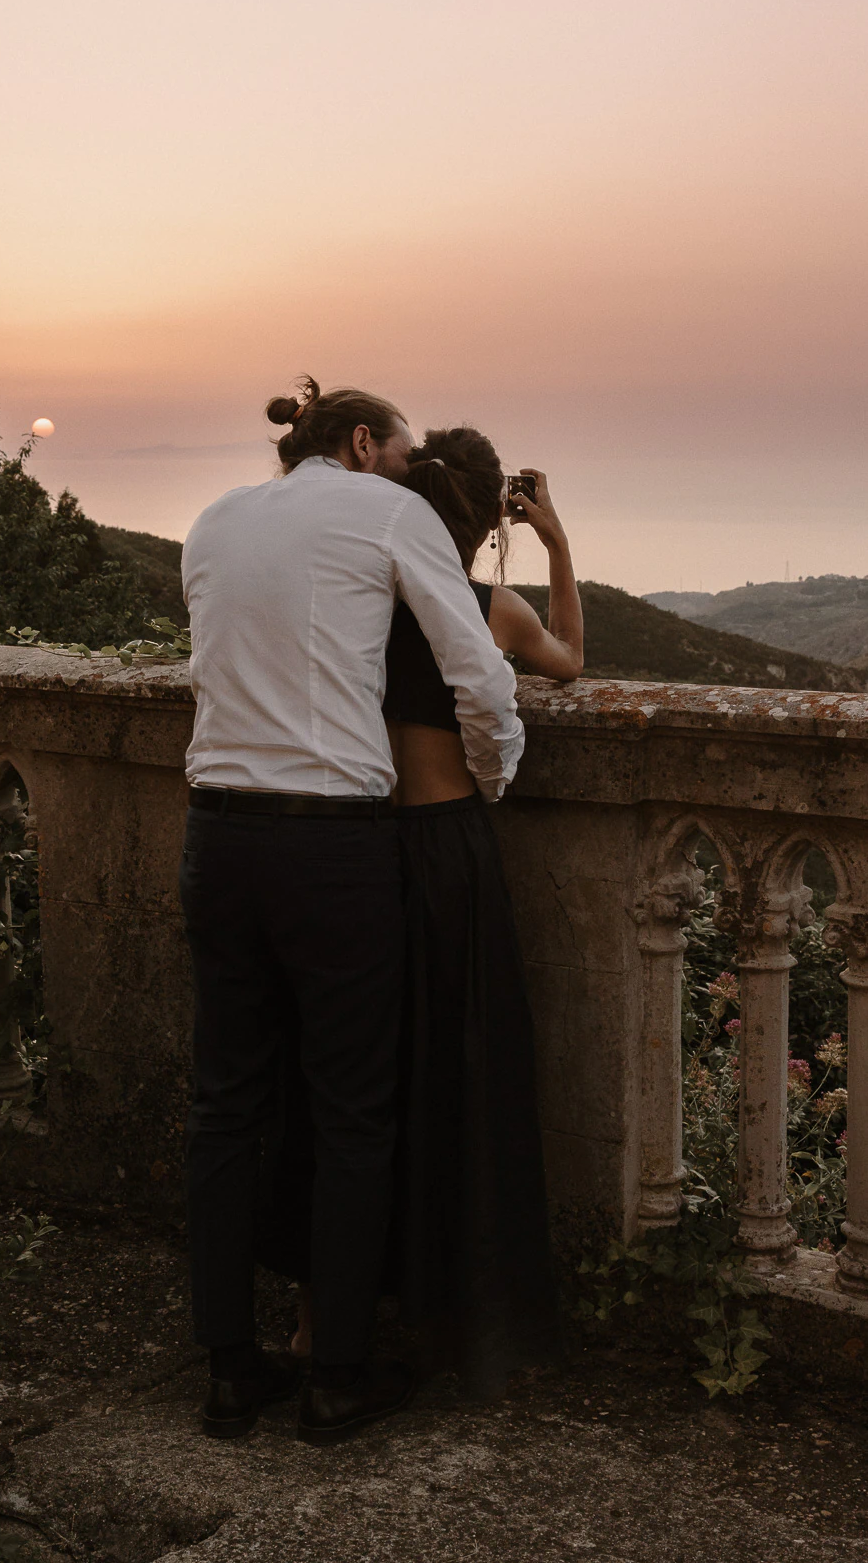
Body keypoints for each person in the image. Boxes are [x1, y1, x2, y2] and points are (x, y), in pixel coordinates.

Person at [179, 379, 525, 1445]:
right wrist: (496, 774)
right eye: (405, 453)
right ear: (364, 441)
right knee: (350, 1110)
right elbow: (475, 669)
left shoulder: (214, 518)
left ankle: (230, 1368)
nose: (418, 471)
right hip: (330, 844)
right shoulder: (389, 509)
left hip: (216, 834)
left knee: (228, 1106)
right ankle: (334, 1374)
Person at [275, 426, 583, 1399]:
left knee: (350, 1083)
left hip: (361, 843)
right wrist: (558, 542)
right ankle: (457, 1319)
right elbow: (569, 660)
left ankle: (318, 1315)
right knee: (458, 1078)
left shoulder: (366, 609)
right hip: (450, 848)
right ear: (492, 508)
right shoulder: (484, 610)